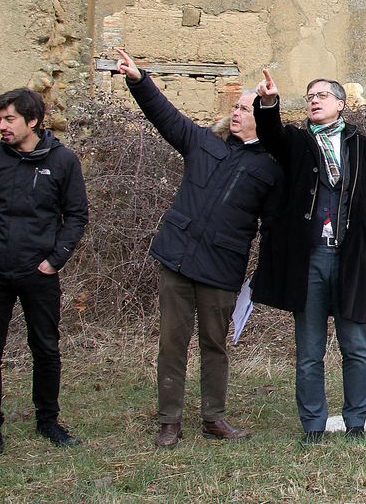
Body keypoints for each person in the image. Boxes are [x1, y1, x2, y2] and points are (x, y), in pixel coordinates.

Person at [113, 48, 284, 448]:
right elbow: (166, 116)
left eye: (246, 108)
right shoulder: (204, 144)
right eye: (237, 106)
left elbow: (274, 226)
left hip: (222, 270)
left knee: (214, 346)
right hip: (178, 259)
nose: (238, 112)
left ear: (261, 117)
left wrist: (265, 276)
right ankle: (169, 421)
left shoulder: (271, 169)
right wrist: (140, 80)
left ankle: (213, 418)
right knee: (172, 343)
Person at [251, 70, 366, 444]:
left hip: (349, 260)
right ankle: (313, 425)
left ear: (341, 104)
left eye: (322, 95)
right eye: (310, 95)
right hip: (308, 260)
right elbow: (270, 134)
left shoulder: (364, 147)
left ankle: (355, 421)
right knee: (310, 349)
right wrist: (268, 104)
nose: (314, 100)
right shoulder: (296, 143)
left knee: (355, 346)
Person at [0, 88, 88, 455]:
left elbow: (76, 215)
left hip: (39, 272)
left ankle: (48, 420)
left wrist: (55, 260)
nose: (1, 126)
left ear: (31, 121)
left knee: (46, 348)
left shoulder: (63, 161)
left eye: (9, 119)